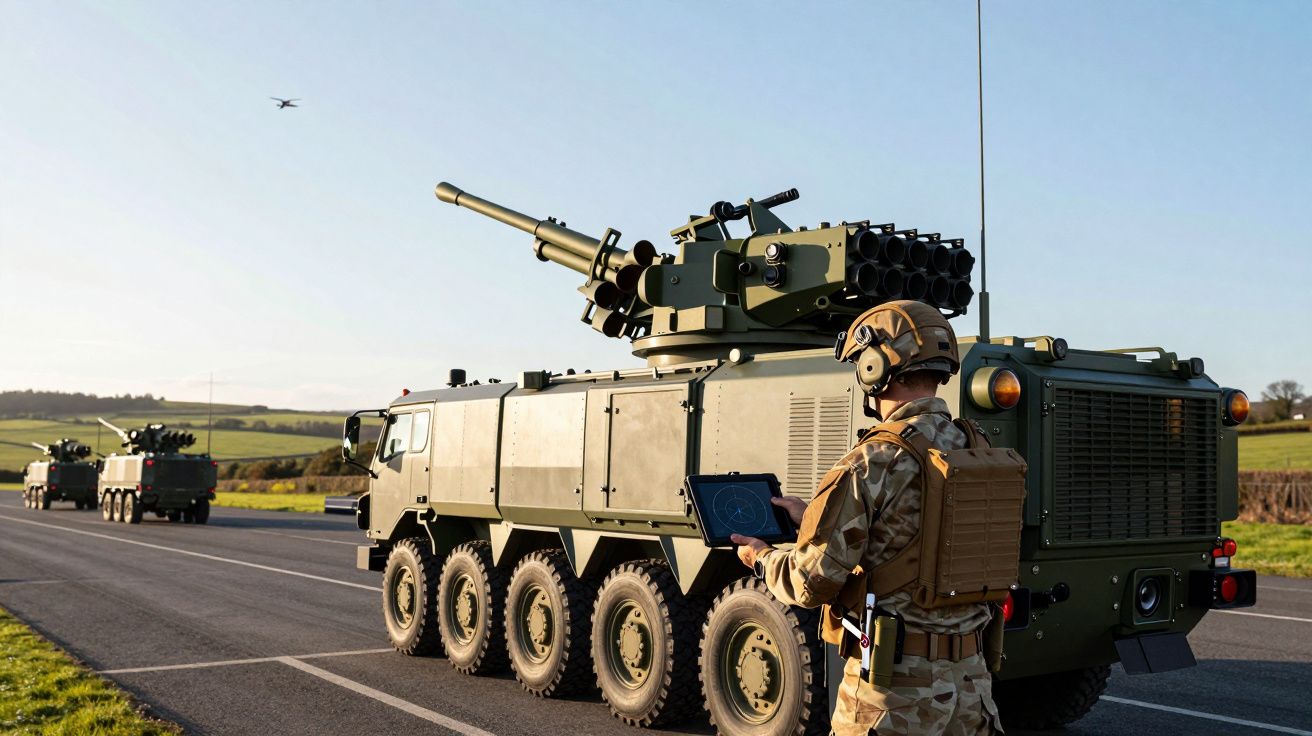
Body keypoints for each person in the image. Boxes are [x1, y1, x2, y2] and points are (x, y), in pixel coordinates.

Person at [731, 300, 1002, 736]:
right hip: (972, 690)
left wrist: (761, 558)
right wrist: (813, 517)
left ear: (875, 368)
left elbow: (810, 582)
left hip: (895, 696)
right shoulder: (979, 448)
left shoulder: (872, 460)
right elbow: (928, 535)